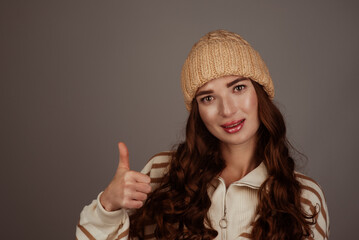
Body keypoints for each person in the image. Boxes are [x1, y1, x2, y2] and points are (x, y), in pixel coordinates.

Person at [76, 30, 329, 240]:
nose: (227, 110)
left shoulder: (305, 195)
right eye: (208, 98)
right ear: (197, 110)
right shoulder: (162, 174)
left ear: (260, 93)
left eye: (238, 88)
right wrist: (108, 205)